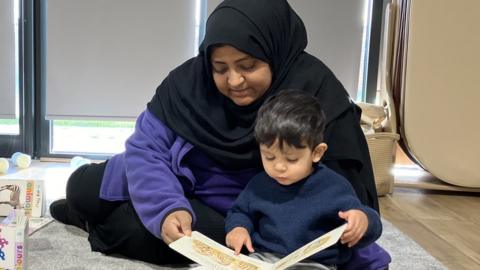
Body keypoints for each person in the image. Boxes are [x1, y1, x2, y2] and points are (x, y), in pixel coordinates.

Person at [49, 0, 380, 265]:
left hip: (244, 209)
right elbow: (147, 148)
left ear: (274, 53)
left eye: (248, 66)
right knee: (82, 188)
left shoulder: (317, 92)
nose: (234, 81)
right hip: (178, 176)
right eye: (220, 68)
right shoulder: (189, 82)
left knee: (143, 233)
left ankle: (93, 222)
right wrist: (167, 206)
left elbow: (342, 192)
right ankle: (88, 209)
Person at [225, 89, 384, 269]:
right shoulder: (259, 184)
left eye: (291, 159)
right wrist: (238, 228)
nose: (279, 167)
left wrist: (362, 219)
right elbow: (239, 212)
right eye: (269, 157)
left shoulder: (333, 186)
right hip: (264, 258)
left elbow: (369, 220)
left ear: (317, 153)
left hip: (314, 264)